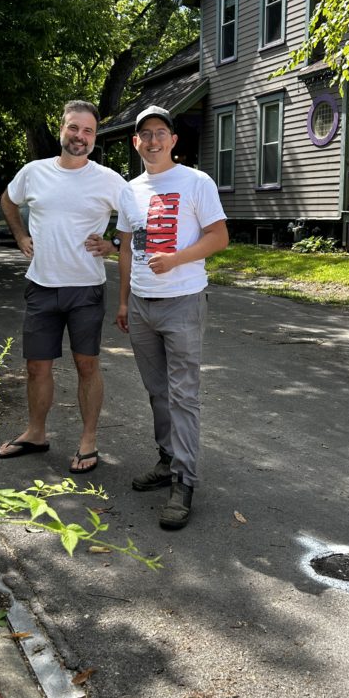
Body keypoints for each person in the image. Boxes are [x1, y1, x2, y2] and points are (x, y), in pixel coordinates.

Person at [0, 100, 126, 475]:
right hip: (41, 284)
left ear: (94, 136)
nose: (80, 136)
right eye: (74, 128)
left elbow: (138, 217)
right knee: (36, 367)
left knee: (87, 365)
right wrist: (20, 235)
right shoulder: (34, 172)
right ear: (62, 129)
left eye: (88, 131)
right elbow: (8, 200)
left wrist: (113, 245)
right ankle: (36, 433)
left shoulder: (108, 179)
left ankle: (88, 440)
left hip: (85, 288)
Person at [115, 105, 229, 529]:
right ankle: (167, 460)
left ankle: (184, 481)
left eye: (161, 132)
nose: (153, 140)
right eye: (145, 133)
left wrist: (177, 258)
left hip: (183, 301)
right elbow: (128, 247)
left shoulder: (196, 182)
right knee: (157, 392)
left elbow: (219, 237)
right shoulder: (130, 190)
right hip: (142, 305)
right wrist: (124, 301)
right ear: (136, 142)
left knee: (183, 395)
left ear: (173, 140)